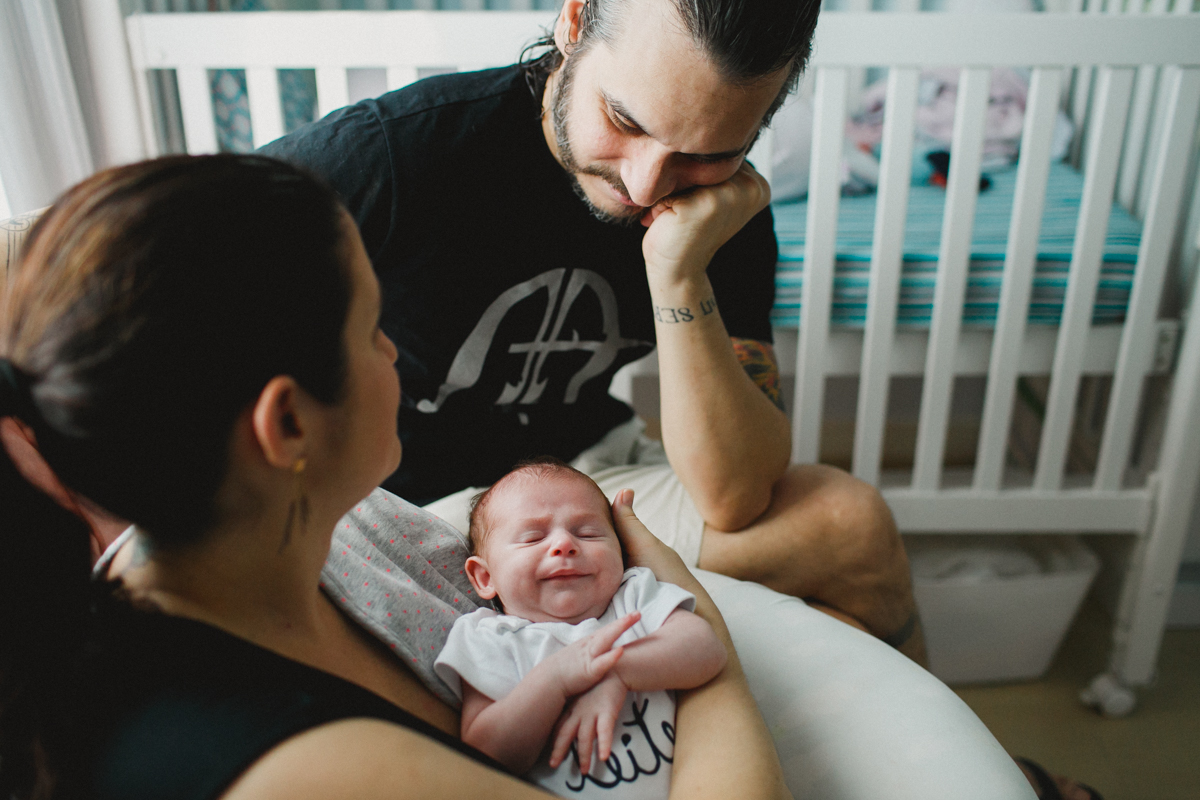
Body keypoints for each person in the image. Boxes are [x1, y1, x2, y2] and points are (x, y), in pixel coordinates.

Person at [0, 154, 787, 800]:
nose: (394, 356)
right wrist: (693, 615)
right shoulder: (294, 765)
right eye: (373, 329)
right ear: (288, 426)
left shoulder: (314, 536)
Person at [260, 0, 926, 664]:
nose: (645, 183)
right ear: (573, 24)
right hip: (420, 508)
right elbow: (181, 269)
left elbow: (733, 496)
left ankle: (949, 766)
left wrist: (680, 274)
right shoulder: (396, 152)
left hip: (583, 487)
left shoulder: (724, 212)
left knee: (851, 526)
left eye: (706, 153)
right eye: (624, 121)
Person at [434, 457, 726, 796]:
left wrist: (618, 672)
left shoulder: (632, 596)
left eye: (588, 533)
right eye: (532, 538)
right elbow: (484, 752)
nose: (564, 544)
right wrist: (555, 679)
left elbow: (706, 646)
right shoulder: (490, 637)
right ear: (485, 577)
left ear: (623, 552)